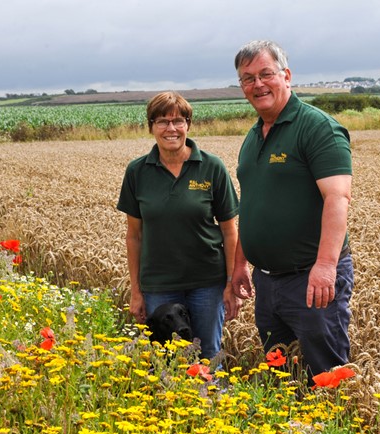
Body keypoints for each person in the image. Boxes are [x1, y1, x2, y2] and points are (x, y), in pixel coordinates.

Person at [230, 40, 354, 382]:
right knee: (280, 375)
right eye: (247, 78)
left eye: (265, 74)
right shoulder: (254, 136)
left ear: (286, 76)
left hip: (311, 279)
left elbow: (338, 198)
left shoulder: (317, 128)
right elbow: (251, 204)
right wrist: (240, 263)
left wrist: (326, 265)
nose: (257, 85)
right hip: (267, 282)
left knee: (325, 375)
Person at [117, 91, 240, 360]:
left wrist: (231, 284)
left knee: (207, 354)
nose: (171, 128)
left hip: (207, 282)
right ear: (151, 127)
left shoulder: (212, 167)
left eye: (178, 121)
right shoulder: (137, 172)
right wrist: (136, 292)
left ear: (188, 125)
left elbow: (230, 230)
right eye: (162, 121)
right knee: (164, 358)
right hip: (159, 285)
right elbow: (134, 236)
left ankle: (211, 402)